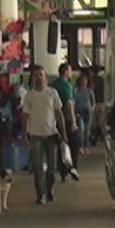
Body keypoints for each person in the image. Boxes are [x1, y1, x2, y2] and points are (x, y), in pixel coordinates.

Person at [21, 65, 68, 205]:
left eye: (40, 75)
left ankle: (50, 189)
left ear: (45, 77)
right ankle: (40, 194)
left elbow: (59, 113)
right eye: (35, 76)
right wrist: (24, 134)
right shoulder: (29, 95)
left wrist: (63, 131)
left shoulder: (52, 93)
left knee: (52, 169)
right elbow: (25, 116)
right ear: (32, 79)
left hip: (51, 135)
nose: (38, 78)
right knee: (37, 167)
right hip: (35, 135)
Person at [50, 62, 80, 181]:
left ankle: (62, 171)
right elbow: (69, 104)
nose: (71, 73)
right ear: (66, 72)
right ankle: (73, 167)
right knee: (74, 143)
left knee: (61, 144)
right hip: (67, 118)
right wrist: (73, 121)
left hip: (55, 119)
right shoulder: (67, 85)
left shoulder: (53, 85)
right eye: (70, 70)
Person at [74, 73, 95, 153]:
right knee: (81, 129)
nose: (83, 82)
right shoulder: (76, 91)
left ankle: (86, 146)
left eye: (85, 81)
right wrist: (75, 112)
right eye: (82, 81)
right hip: (79, 111)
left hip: (88, 112)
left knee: (87, 130)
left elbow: (93, 102)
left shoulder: (89, 91)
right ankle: (80, 146)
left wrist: (91, 109)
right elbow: (74, 102)